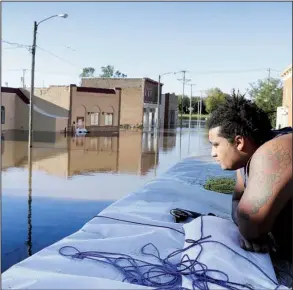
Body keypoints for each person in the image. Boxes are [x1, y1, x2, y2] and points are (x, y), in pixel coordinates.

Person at [207, 91, 292, 267]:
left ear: (239, 142)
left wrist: (255, 229)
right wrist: (253, 228)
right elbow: (238, 200)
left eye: (216, 145)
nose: (213, 153)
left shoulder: (273, 152)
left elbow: (248, 222)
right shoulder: (248, 158)